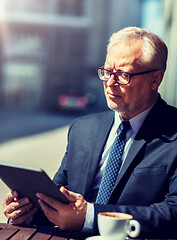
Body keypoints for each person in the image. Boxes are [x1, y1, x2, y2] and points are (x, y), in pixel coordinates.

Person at [3, 26, 177, 238]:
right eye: (107, 72)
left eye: (122, 75)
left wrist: (90, 216)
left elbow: (173, 213)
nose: (110, 83)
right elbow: (58, 198)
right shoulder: (82, 129)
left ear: (156, 80)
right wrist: (28, 212)